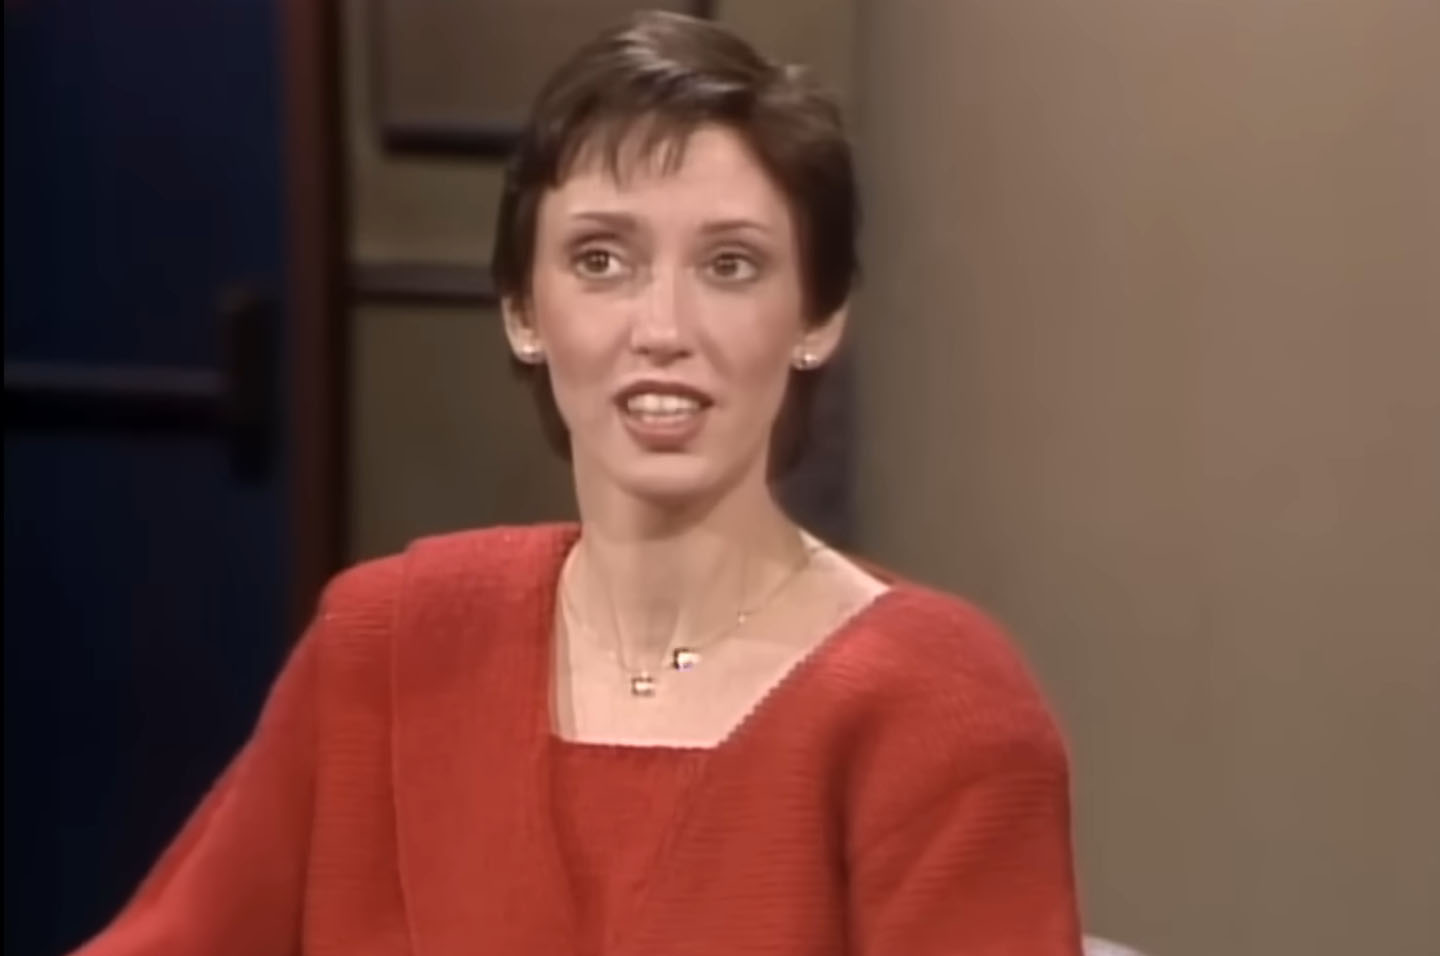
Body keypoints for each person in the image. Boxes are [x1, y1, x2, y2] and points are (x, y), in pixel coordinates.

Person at [74, 11, 1082, 955]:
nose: (663, 330)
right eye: (602, 259)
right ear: (523, 308)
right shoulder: (385, 647)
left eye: (730, 264)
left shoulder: (938, 709)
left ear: (816, 318)